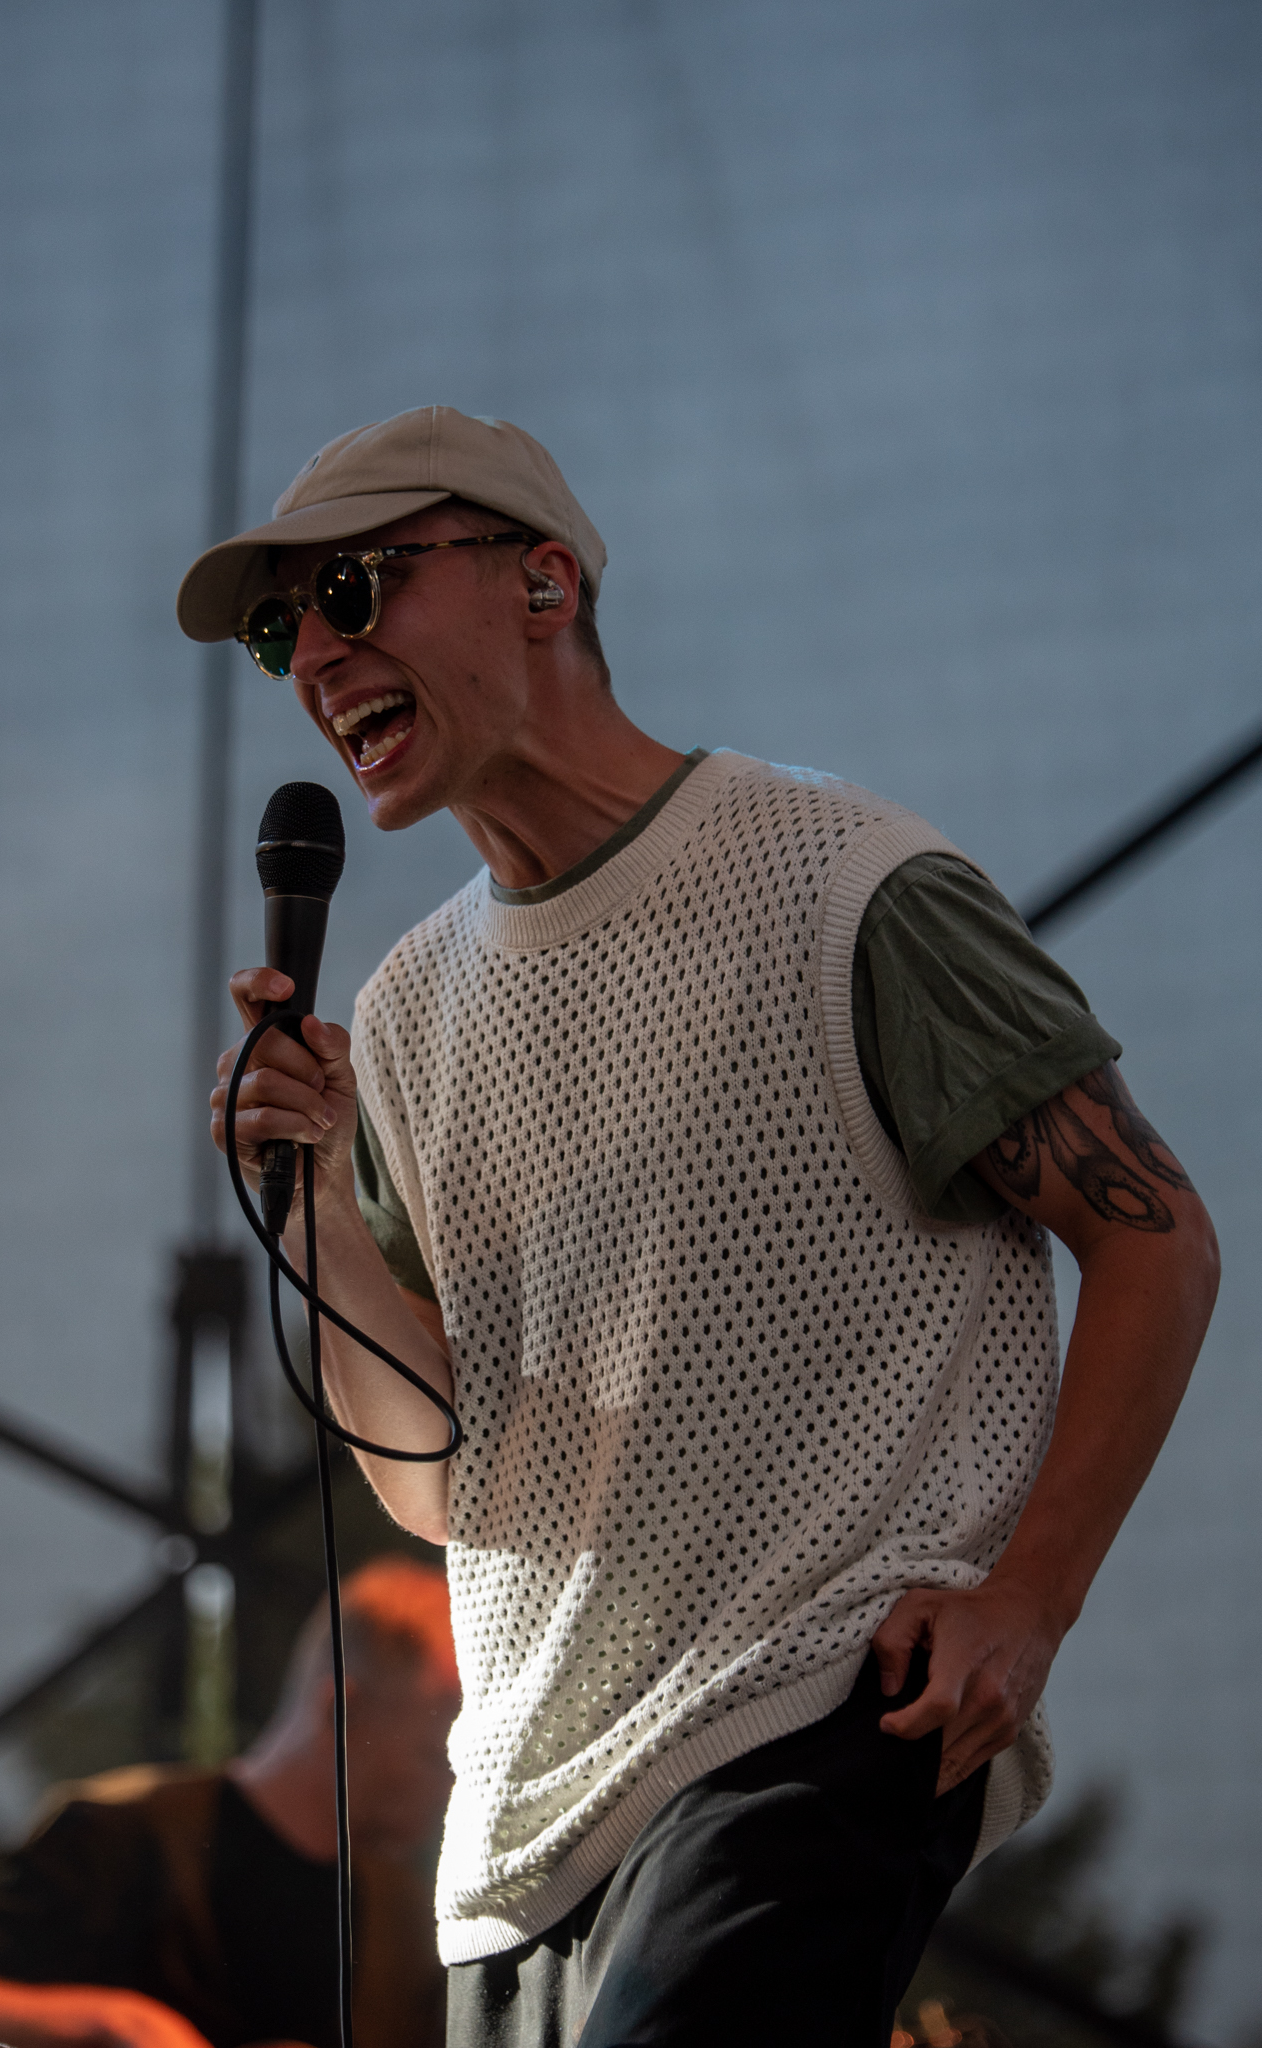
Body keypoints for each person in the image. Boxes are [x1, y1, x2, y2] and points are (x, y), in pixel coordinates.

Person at [180, 406, 1219, 2047]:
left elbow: (1156, 1240)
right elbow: (442, 1485)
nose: (312, 654)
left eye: (355, 589)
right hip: (521, 1824)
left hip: (811, 1711)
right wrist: (311, 1190)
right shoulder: (410, 1013)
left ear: (542, 582)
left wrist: (1029, 1595)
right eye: (276, 628)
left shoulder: (839, 880)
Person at [0, 1559, 458, 2048]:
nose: (451, 1789)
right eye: (435, 1756)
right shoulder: (120, 1839)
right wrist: (111, 2022)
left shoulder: (409, 1919)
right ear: (342, 1713)